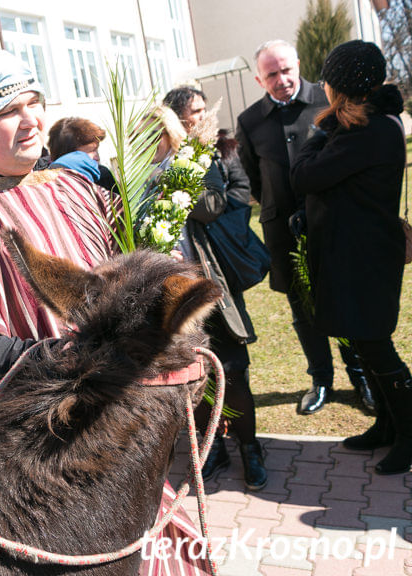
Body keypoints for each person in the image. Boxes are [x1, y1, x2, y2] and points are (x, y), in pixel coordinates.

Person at [0, 50, 212, 575]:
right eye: (8, 110)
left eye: (35, 102)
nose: (31, 119)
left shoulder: (74, 187)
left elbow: (122, 279)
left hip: (113, 422)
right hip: (33, 447)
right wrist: (74, 358)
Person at [291, 41, 409, 475]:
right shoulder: (365, 127)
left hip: (367, 259)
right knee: (365, 342)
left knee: (377, 347)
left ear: (338, 86)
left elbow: (304, 175)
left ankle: (408, 436)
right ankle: (386, 426)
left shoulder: (366, 131)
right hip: (357, 255)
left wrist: (315, 135)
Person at [236, 39, 372, 415]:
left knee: (344, 301)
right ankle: (321, 380)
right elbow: (255, 180)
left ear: (298, 64)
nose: (282, 80)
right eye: (272, 74)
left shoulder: (330, 100)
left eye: (286, 70)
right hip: (284, 235)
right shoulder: (249, 121)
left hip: (333, 227)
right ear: (259, 80)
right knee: (303, 310)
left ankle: (361, 377)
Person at [163, 86, 267, 490]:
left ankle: (251, 448)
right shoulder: (157, 159)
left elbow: (215, 205)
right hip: (178, 291)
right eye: (191, 114)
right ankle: (213, 448)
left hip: (214, 280)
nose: (199, 119)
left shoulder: (212, 153)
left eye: (203, 111)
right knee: (196, 376)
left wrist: (188, 169)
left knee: (234, 374)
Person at [47, 116, 116, 191]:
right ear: (69, 155)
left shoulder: (103, 176)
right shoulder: (47, 185)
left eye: (97, 150)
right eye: (91, 151)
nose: (97, 157)